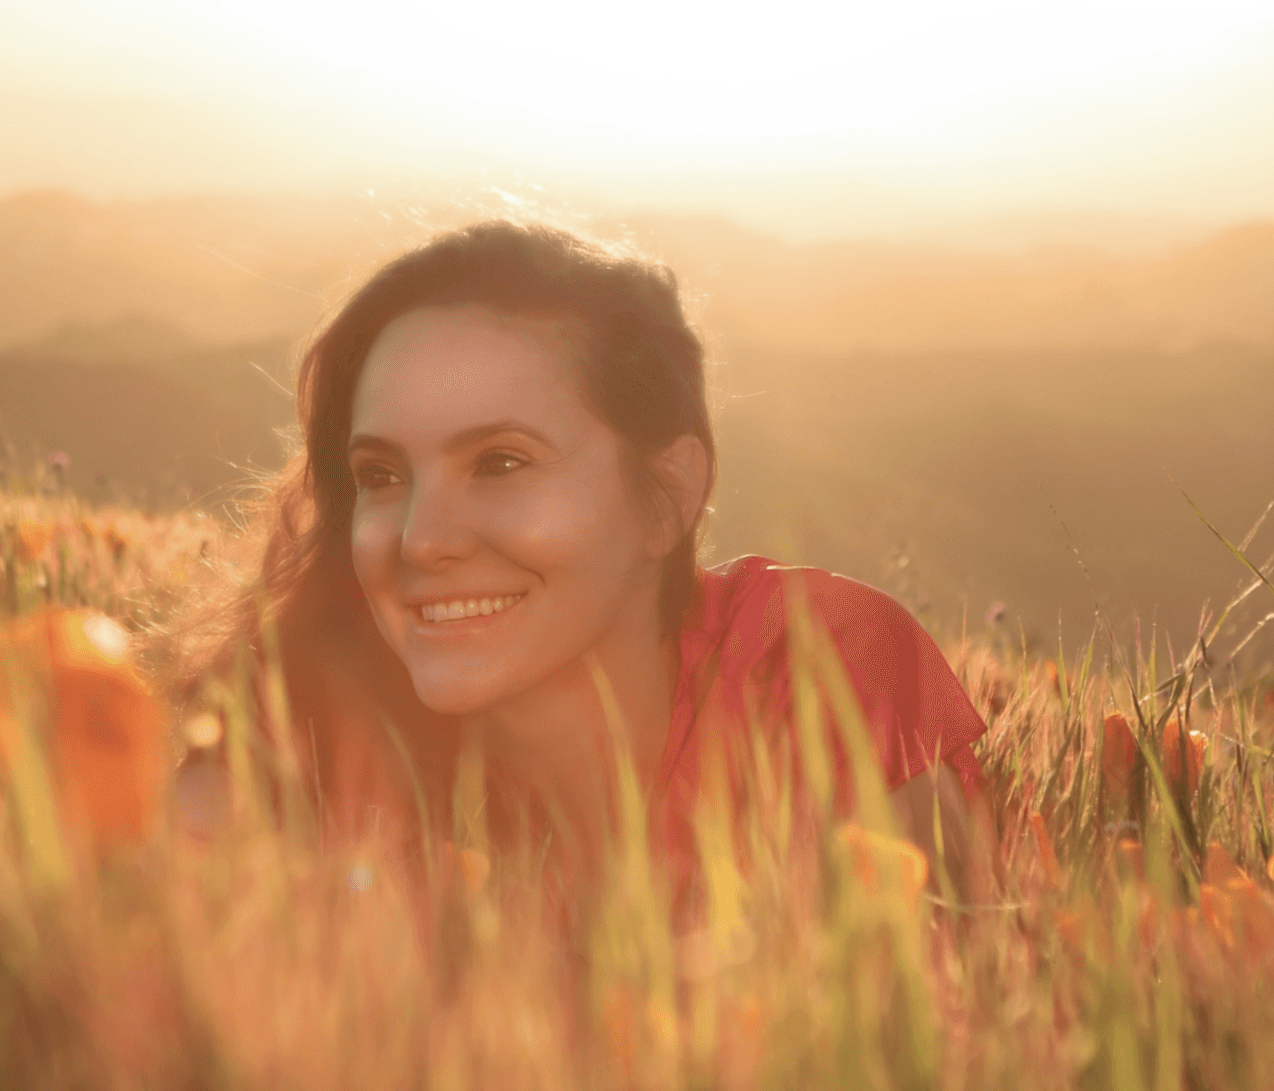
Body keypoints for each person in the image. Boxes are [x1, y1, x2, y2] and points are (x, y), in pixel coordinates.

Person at [169, 219, 987, 881]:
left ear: (667, 494)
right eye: (380, 474)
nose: (421, 538)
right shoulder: (320, 744)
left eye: (501, 462)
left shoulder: (816, 677)